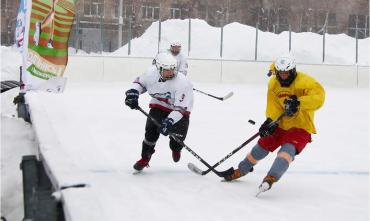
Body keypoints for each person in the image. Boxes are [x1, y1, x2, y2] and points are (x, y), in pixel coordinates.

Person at [220, 54, 325, 194]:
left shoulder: (306, 82)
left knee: (286, 151)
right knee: (261, 147)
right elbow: (273, 107)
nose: (283, 76)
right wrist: (270, 121)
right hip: (281, 124)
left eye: (286, 73)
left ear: (293, 71)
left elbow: (319, 98)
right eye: (280, 73)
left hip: (300, 126)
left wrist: (299, 102)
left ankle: (271, 177)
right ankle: (242, 170)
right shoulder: (274, 83)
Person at [125, 52, 194, 172]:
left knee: (177, 139)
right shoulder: (150, 74)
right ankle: (145, 158)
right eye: (167, 70)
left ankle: (176, 149)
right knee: (150, 132)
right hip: (159, 105)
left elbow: (180, 109)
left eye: (173, 69)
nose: (171, 72)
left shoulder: (182, 82)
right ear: (159, 68)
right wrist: (133, 93)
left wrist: (169, 121)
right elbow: (139, 84)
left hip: (180, 110)